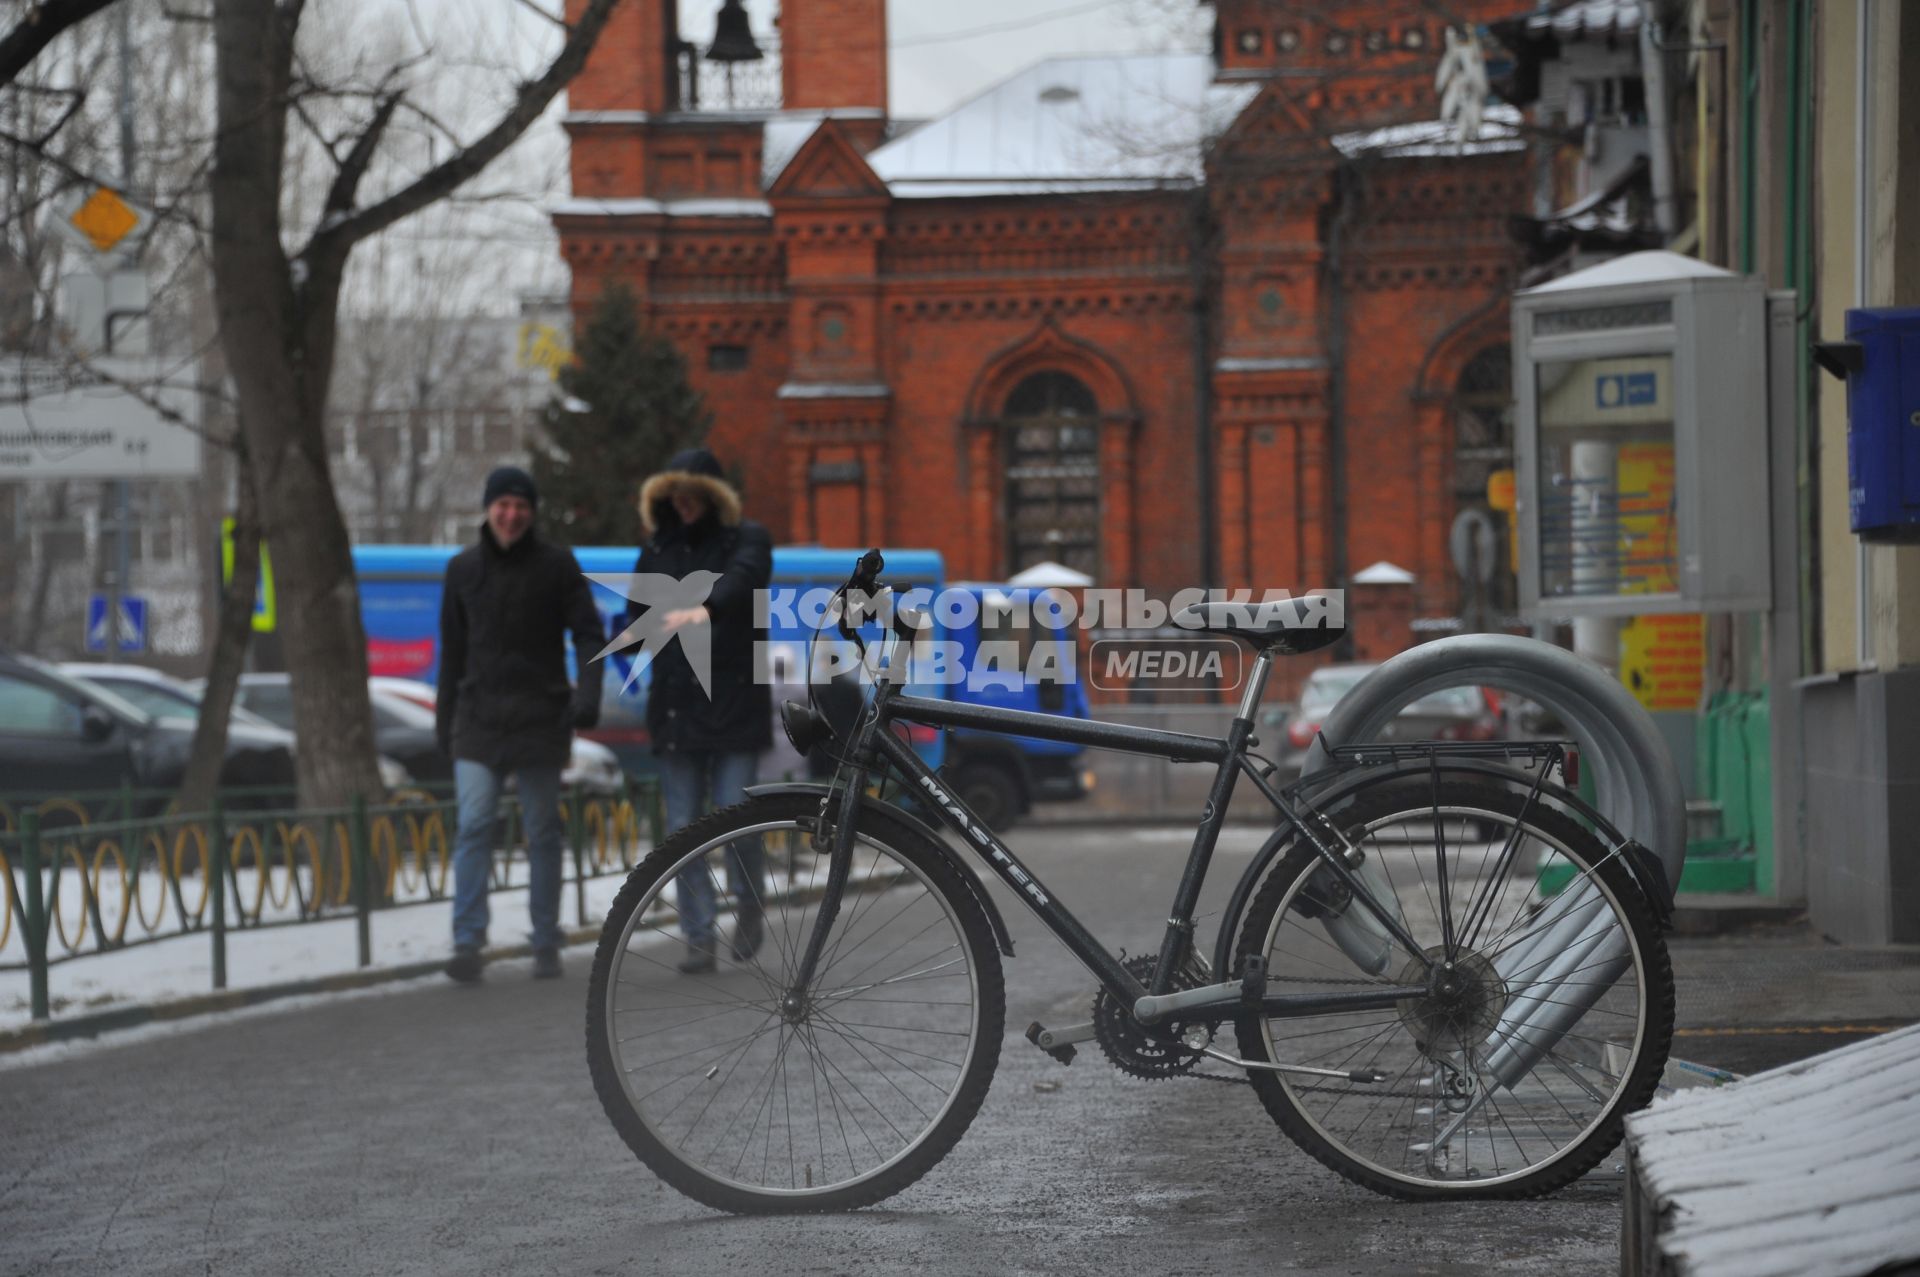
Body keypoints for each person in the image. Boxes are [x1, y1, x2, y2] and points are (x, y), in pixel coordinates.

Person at [437, 466, 604, 983]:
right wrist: (445, 726)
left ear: (532, 513)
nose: (511, 515)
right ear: (488, 509)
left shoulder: (557, 566)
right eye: (502, 505)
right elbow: (453, 653)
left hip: (540, 715)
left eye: (521, 506)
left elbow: (589, 636)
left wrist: (587, 697)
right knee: (474, 825)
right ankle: (467, 942)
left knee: (542, 831)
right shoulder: (462, 569)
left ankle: (546, 940)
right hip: (479, 718)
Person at [617, 448, 773, 974]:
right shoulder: (657, 547)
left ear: (711, 495)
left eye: (691, 494)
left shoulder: (746, 538)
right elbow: (634, 616)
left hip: (734, 706)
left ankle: (749, 905)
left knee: (735, 817)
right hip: (678, 707)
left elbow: (744, 579)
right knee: (681, 828)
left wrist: (700, 608)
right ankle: (698, 935)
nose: (682, 504)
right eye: (673, 495)